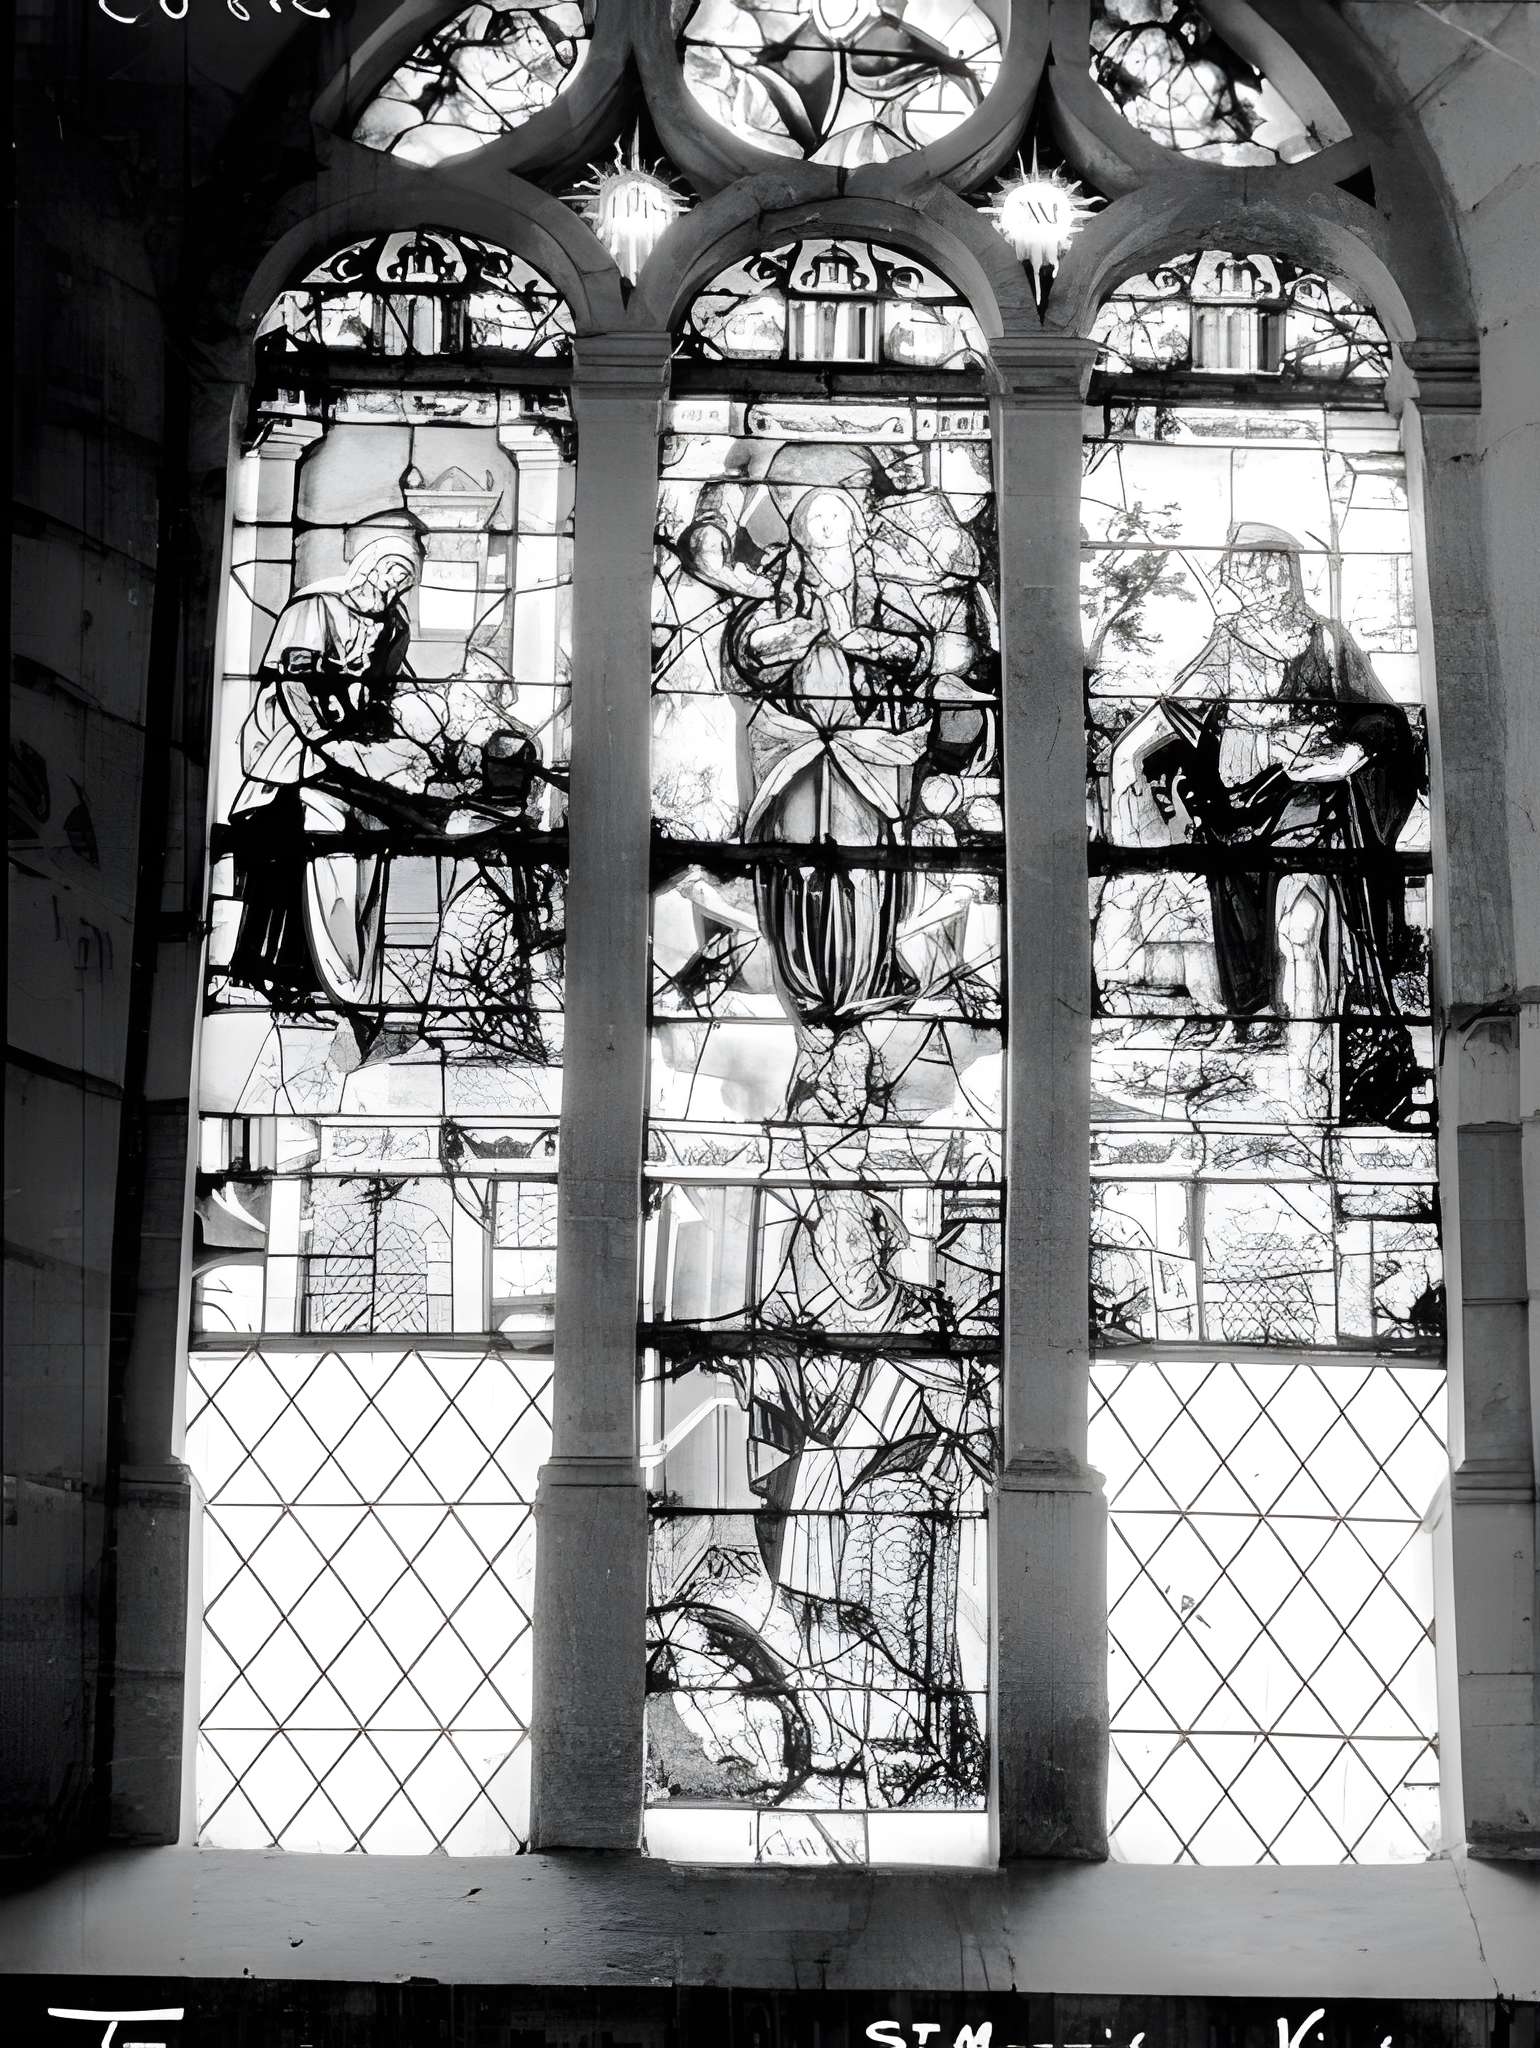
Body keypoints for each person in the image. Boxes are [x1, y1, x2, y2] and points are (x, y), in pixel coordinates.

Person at [1106, 523, 1424, 1122]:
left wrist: (1349, 755)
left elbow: (1385, 721)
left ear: (1293, 571)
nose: (1266, 579)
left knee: (1303, 931)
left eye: (1276, 566)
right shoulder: (1227, 646)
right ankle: (1301, 1063)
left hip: (1317, 808)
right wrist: (1129, 770)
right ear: (1233, 577)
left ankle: (1312, 1081)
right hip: (1247, 821)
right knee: (1279, 945)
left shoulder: (1329, 643)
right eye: (1251, 568)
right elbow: (1165, 723)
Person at [225, 535, 424, 1033]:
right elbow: (294, 683)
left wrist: (379, 732)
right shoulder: (317, 606)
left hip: (345, 742)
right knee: (279, 856)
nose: (392, 584)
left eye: (404, 579)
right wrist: (323, 739)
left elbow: (383, 688)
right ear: (366, 565)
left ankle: (317, 979)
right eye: (389, 571)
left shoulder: (394, 623)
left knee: (345, 842)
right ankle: (254, 971)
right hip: (291, 740)